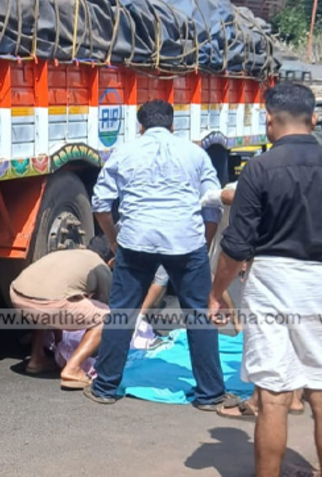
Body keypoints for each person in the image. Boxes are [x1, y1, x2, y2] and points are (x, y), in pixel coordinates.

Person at [209, 82, 322, 477]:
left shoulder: (259, 169)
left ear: (269, 121)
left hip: (272, 280)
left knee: (272, 396)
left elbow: (236, 245)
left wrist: (217, 292)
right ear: (314, 119)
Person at [85, 99, 237, 411]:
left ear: (140, 126)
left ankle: (105, 387)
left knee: (122, 312)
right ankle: (210, 394)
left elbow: (100, 203)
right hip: (185, 241)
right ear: (172, 125)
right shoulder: (195, 153)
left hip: (135, 241)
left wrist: (114, 240)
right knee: (198, 315)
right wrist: (203, 244)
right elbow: (212, 205)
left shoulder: (124, 152)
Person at [11, 236, 112, 390]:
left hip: (17, 295)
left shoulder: (67, 252)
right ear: (111, 261)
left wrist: (59, 340)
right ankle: (73, 369)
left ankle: (36, 359)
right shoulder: (101, 266)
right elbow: (104, 304)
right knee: (107, 317)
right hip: (49, 303)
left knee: (50, 300)